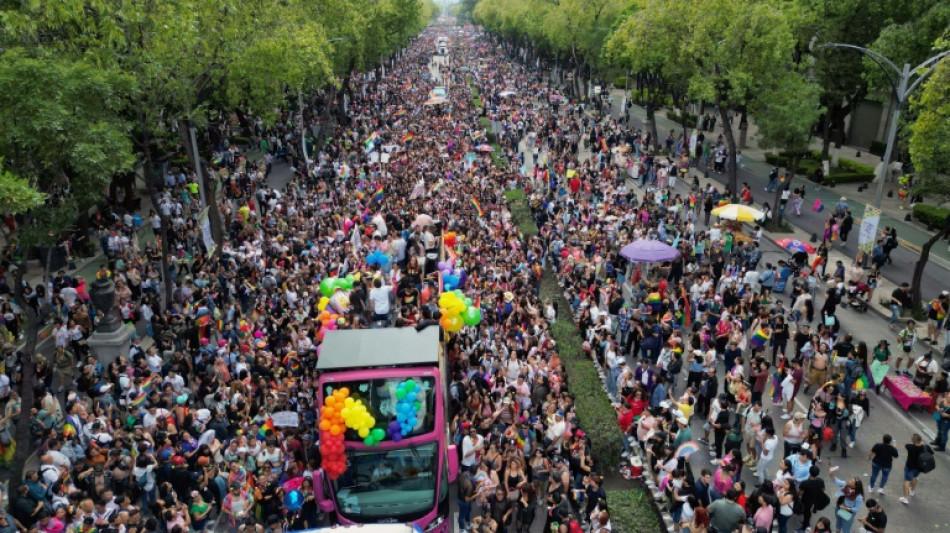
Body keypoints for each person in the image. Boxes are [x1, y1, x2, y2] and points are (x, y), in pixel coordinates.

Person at [900, 433, 926, 505]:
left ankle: (905, 498)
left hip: (910, 466)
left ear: (913, 440)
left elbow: (906, 445)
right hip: (919, 467)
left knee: (907, 480)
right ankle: (912, 490)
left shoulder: (909, 447)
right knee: (915, 477)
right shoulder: (924, 448)